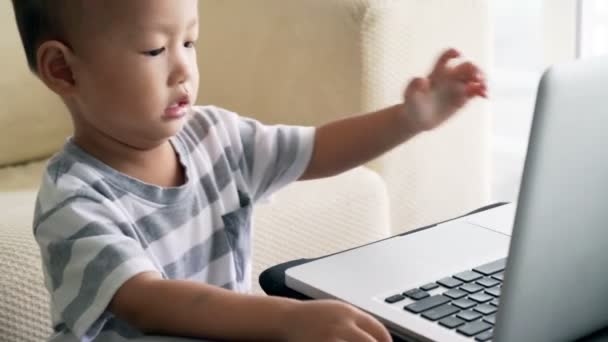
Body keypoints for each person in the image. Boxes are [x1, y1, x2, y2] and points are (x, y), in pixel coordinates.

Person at [11, 0, 487, 341]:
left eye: (189, 41)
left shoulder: (215, 136)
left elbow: (317, 149)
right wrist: (289, 320)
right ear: (64, 70)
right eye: (155, 50)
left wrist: (408, 120)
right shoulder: (73, 200)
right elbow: (148, 302)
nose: (183, 70)